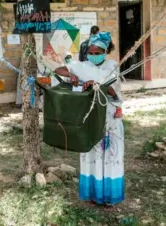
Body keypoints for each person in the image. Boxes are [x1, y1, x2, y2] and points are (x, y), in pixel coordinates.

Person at [54, 32, 125, 206]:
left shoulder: (113, 66)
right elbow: (58, 70)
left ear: (105, 51)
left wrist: (99, 85)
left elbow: (115, 93)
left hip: (109, 117)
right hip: (89, 118)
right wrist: (72, 76)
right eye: (91, 53)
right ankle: (93, 194)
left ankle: (109, 196)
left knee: (110, 155)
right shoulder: (81, 66)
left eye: (98, 52)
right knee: (91, 154)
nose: (93, 56)